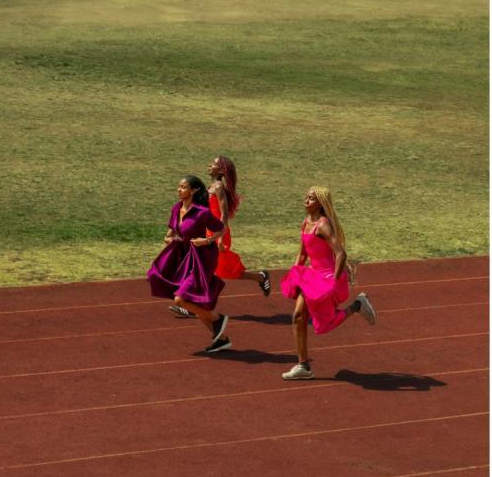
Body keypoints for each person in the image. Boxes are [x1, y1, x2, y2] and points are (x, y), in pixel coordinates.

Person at [279, 186, 376, 380]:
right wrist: (294, 273)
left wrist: (333, 280)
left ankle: (358, 305)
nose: (306, 200)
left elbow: (340, 253)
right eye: (306, 197)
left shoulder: (323, 225)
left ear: (320, 203)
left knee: (324, 326)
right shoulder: (306, 223)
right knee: (298, 316)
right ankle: (303, 366)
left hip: (327, 278)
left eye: (311, 198)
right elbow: (303, 253)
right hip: (311, 277)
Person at [169, 156, 270, 317]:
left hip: (218, 233)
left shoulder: (218, 187)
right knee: (222, 270)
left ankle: (191, 306)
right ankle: (260, 277)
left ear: (222, 170)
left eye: (214, 164)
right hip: (208, 232)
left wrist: (220, 237)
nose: (210, 165)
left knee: (207, 270)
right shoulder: (210, 187)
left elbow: (224, 215)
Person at [148, 175, 231, 352]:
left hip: (202, 257)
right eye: (178, 186)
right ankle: (221, 339)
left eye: (183, 187)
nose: (179, 190)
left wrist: (207, 240)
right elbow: (171, 231)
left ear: (193, 190)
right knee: (191, 300)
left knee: (180, 299)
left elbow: (221, 228)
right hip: (184, 257)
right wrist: (169, 238)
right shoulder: (176, 208)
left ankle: (217, 319)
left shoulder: (202, 212)